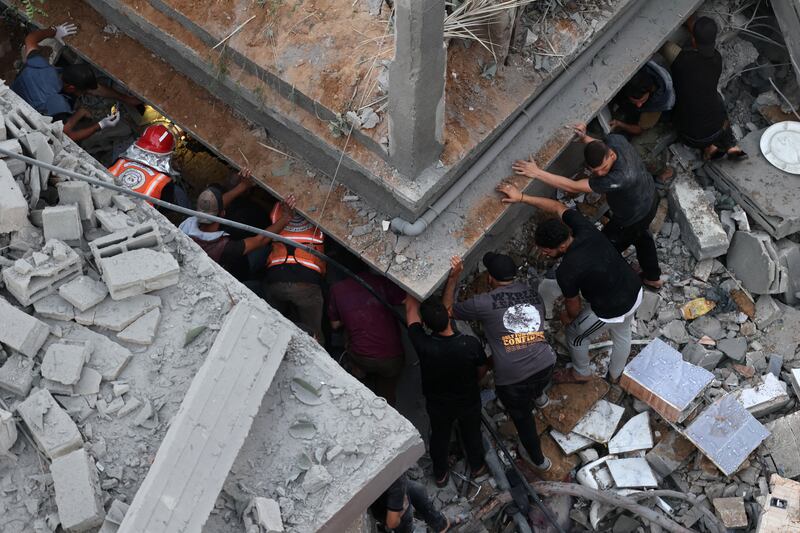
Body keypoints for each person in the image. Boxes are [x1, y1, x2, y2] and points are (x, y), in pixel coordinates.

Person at [497, 184, 643, 384]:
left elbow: (573, 307)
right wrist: (522, 197)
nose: (544, 254)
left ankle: (581, 373)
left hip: (612, 309)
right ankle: (616, 374)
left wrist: (568, 318)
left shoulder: (567, 270)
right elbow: (557, 207)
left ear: (560, 246)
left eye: (546, 251)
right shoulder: (584, 228)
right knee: (623, 332)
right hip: (634, 289)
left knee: (575, 335)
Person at [512, 123, 662, 289]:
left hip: (633, 216)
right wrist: (584, 138)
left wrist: (537, 172)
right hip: (649, 196)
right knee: (641, 235)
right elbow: (598, 145)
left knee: (604, 248)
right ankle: (652, 277)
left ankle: (612, 283)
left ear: (612, 155)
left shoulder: (619, 177)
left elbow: (572, 187)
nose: (600, 174)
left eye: (603, 168)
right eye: (595, 171)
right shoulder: (615, 140)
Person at [443, 252, 556, 472]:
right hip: (546, 363)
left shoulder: (483, 302)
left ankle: (539, 461)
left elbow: (447, 311)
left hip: (513, 381)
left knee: (524, 421)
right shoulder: (532, 294)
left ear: (490, 278)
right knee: (535, 379)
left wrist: (453, 278)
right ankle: (540, 398)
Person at [405, 296, 488, 486]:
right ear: (448, 316)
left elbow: (410, 311)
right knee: (472, 432)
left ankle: (440, 475)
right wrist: (473, 381)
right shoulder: (469, 344)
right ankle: (477, 466)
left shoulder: (423, 344)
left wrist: (411, 294)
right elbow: (482, 369)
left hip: (438, 404)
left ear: (425, 324)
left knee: (439, 437)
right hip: (468, 400)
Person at [11, 24, 139, 142]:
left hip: (17, 93)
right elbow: (66, 135)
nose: (88, 93)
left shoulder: (40, 65)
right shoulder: (58, 106)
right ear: (71, 88)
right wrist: (100, 125)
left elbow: (30, 39)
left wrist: (55, 31)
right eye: (84, 92)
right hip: (23, 118)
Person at [179, 170, 295, 283]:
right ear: (222, 213)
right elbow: (261, 240)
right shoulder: (223, 248)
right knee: (266, 248)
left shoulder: (187, 225)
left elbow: (216, 205)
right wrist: (286, 218)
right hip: (236, 271)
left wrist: (243, 186)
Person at [670, 16, 747, 161]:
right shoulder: (717, 59)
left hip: (691, 137)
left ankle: (709, 148)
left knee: (689, 105)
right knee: (715, 100)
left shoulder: (682, 61)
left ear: (693, 40)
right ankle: (731, 146)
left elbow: (670, 52)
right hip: (718, 130)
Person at [328, 267, 407, 406]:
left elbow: (335, 325)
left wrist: (350, 315)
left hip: (361, 357)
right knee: (387, 391)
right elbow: (404, 299)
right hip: (392, 359)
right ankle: (386, 405)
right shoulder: (381, 282)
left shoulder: (337, 289)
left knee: (347, 331)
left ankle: (358, 372)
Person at [263, 208, 326, 341]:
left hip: (276, 277)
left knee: (271, 325)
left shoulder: (277, 211)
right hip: (306, 282)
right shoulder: (322, 214)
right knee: (313, 333)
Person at [109, 124, 190, 207]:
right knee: (179, 194)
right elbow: (165, 209)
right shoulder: (164, 180)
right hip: (135, 213)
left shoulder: (120, 161)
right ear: (168, 154)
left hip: (105, 200)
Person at [611, 60, 675, 137]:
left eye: (642, 100)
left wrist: (620, 124)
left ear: (650, 90)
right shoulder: (639, 66)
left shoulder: (658, 104)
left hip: (664, 111)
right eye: (634, 102)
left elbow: (640, 129)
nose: (639, 105)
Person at [370, 473, 450, 533]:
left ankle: (439, 524)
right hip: (382, 506)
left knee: (418, 490)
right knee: (405, 515)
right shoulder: (396, 484)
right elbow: (392, 523)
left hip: (392, 486)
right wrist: (401, 511)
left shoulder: (396, 475)